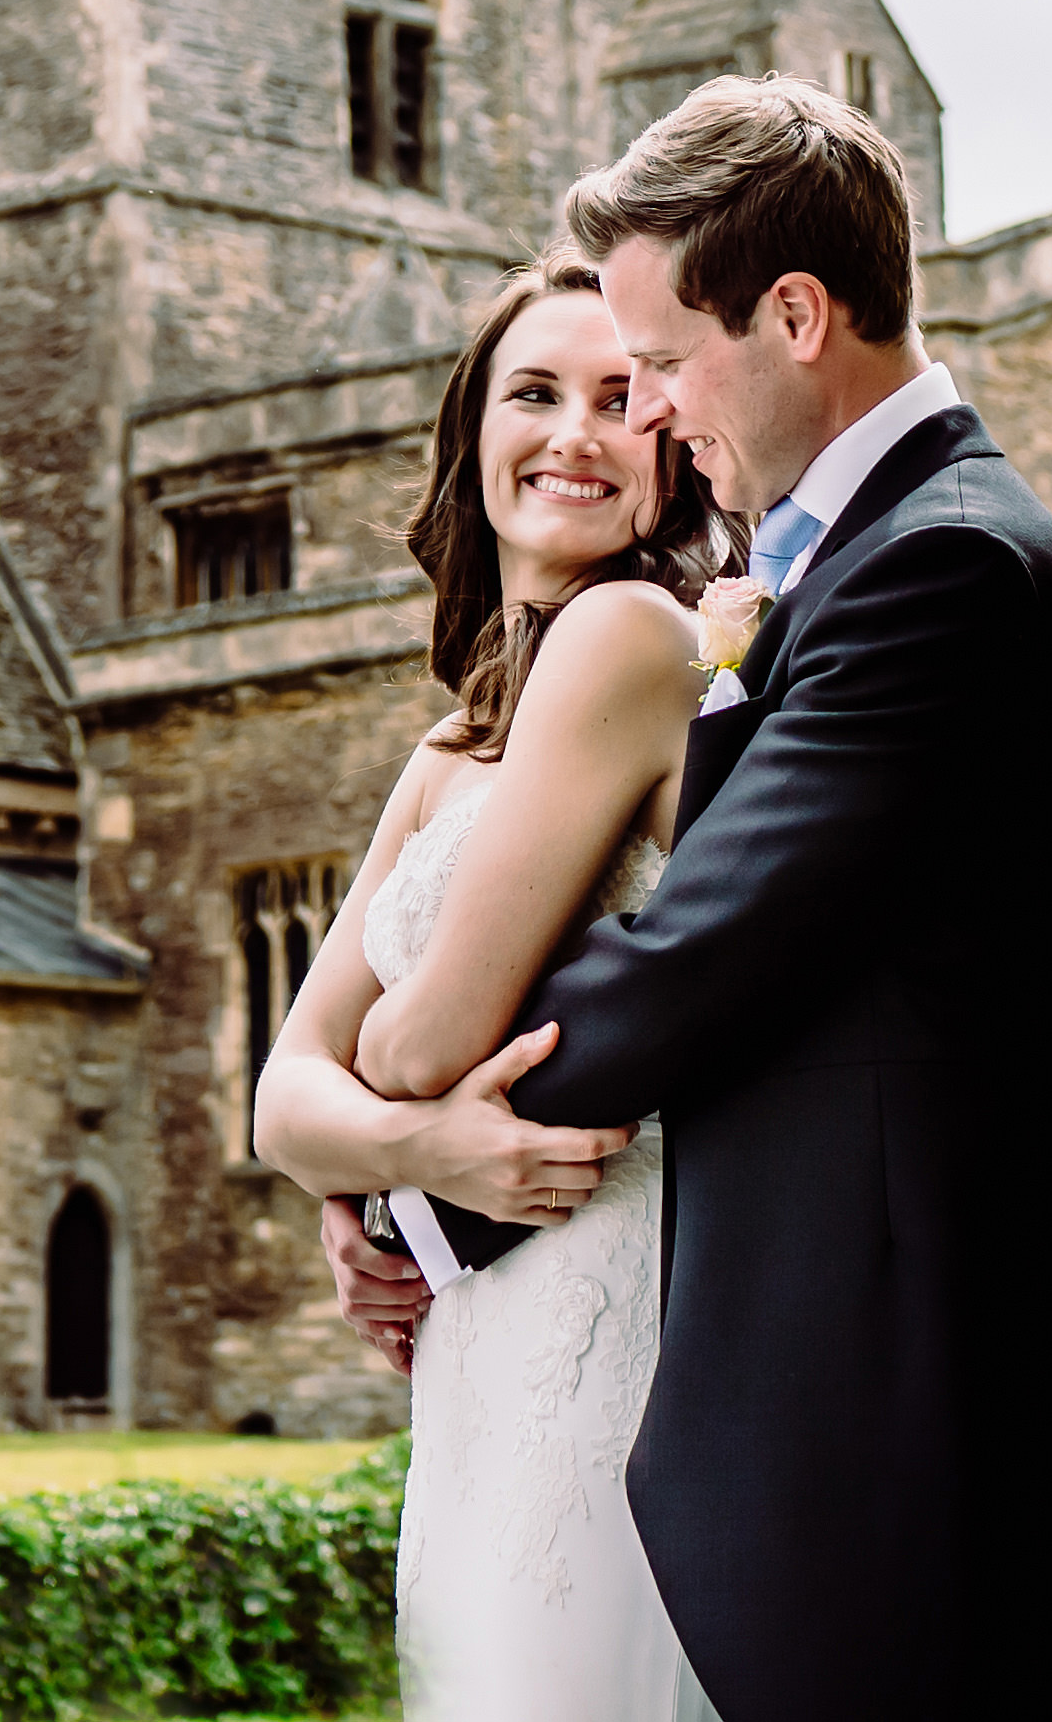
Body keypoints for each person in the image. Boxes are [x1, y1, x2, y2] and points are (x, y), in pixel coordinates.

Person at [273, 75, 1052, 1722]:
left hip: (933, 1411)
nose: (652, 412)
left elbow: (688, 962)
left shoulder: (945, 568)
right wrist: (400, 1172)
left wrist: (415, 1163)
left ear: (796, 315)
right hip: (844, 1399)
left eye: (661, 364)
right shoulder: (849, 561)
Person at [250, 260, 735, 1722]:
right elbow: (283, 1098)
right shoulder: (445, 753)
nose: (576, 432)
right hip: (483, 1337)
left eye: (619, 398)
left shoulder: (647, 641)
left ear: (672, 445)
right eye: (535, 394)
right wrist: (417, 1162)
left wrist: (382, 1114)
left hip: (618, 1301)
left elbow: (396, 1046)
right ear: (474, 440)